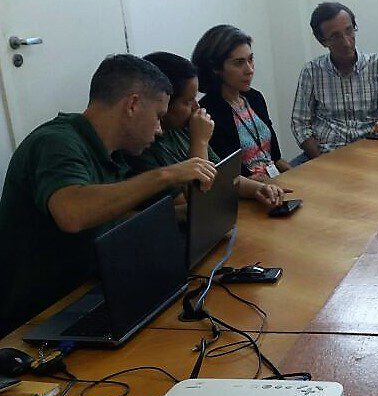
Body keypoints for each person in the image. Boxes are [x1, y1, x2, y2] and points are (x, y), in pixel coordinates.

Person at [0, 54, 217, 336]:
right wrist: (167, 174)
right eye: (158, 116)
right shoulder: (55, 142)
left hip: (89, 294)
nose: (159, 129)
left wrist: (179, 213)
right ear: (133, 104)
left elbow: (110, 217)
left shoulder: (112, 155)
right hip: (35, 319)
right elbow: (73, 214)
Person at [127, 52, 286, 208]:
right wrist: (200, 142)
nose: (197, 107)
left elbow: (222, 176)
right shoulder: (144, 146)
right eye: (188, 101)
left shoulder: (181, 128)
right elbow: (199, 204)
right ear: (165, 102)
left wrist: (258, 189)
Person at [291, 2, 378, 162]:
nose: (346, 42)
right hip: (326, 152)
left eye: (349, 31)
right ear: (322, 41)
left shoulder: (377, 65)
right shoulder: (312, 71)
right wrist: (319, 160)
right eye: (335, 36)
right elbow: (299, 123)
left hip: (370, 152)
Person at [193, 24, 292, 180]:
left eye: (250, 59)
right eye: (239, 63)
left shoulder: (255, 98)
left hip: (274, 181)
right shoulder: (209, 112)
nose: (250, 69)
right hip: (247, 192)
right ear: (216, 68)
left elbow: (276, 158)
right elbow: (227, 175)